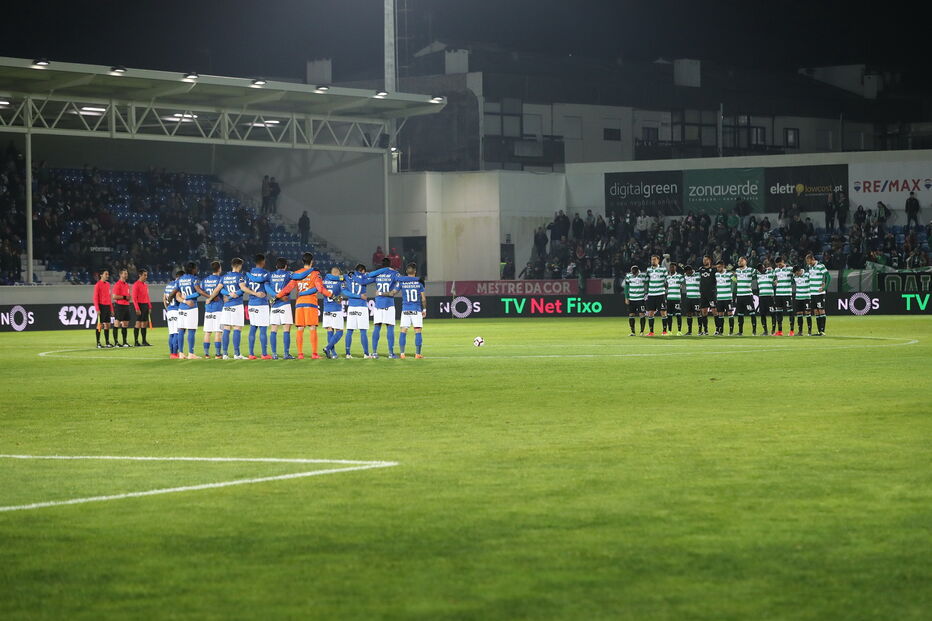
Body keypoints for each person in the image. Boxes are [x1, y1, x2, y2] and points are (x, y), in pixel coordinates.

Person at [276, 253, 332, 359]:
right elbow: (320, 288)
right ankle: (314, 354)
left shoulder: (297, 273)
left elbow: (288, 288)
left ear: (303, 261)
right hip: (310, 303)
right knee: (312, 328)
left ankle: (300, 354)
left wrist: (278, 295)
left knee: (300, 329)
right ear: (312, 261)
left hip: (299, 304)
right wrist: (330, 294)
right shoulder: (315, 273)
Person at [341, 263, 391, 358]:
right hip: (361, 306)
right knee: (363, 331)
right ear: (363, 271)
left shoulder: (347, 276)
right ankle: (366, 354)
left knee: (350, 331)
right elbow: (375, 276)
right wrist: (386, 268)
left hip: (351, 306)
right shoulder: (364, 277)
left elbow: (342, 287)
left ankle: (348, 354)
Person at [213, 257, 255, 359]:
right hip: (236, 305)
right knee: (237, 328)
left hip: (226, 306)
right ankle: (236, 354)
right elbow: (243, 288)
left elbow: (219, 290)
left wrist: (228, 294)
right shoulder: (240, 276)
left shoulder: (224, 277)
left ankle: (225, 354)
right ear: (240, 266)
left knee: (226, 329)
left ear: (232, 265)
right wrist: (253, 293)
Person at [266, 257, 295, 360]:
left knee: (273, 329)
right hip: (284, 303)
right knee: (286, 329)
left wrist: (275, 295)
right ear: (286, 266)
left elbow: (266, 286)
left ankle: (274, 354)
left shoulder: (270, 275)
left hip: (274, 304)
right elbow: (295, 280)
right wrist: (281, 295)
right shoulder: (288, 274)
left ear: (276, 266)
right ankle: (286, 354)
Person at [371, 257, 400, 359]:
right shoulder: (395, 273)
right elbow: (397, 286)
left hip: (378, 304)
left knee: (377, 328)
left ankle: (374, 353)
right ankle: (391, 353)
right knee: (390, 328)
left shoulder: (377, 274)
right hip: (389, 304)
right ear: (390, 264)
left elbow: (367, 280)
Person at [396, 262, 426, 359]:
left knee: (403, 331)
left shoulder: (402, 282)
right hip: (416, 309)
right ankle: (417, 354)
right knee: (417, 331)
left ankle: (402, 354)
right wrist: (424, 309)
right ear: (415, 271)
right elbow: (423, 298)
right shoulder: (419, 282)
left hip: (405, 309)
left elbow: (394, 292)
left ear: (406, 271)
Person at [245, 254, 271, 360]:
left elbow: (245, 286)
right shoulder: (266, 273)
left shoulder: (249, 273)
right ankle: (264, 354)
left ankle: (251, 354)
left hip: (251, 303)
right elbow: (264, 283)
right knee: (263, 329)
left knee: (253, 328)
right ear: (262, 261)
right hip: (261, 303)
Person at [175, 262, 203, 359]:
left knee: (181, 330)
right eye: (196, 268)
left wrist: (184, 300)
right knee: (191, 330)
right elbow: (198, 293)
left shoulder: (180, 279)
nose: (197, 269)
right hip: (191, 308)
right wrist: (188, 298)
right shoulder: (195, 279)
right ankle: (191, 353)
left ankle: (181, 353)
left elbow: (177, 294)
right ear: (193, 269)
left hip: (181, 307)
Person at [200, 261, 224, 358]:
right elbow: (222, 291)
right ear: (219, 269)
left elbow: (200, 290)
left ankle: (206, 354)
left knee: (208, 332)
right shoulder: (220, 279)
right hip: (218, 308)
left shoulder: (205, 280)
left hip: (208, 308)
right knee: (218, 332)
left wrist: (208, 297)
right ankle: (218, 354)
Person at [321, 267, 345, 359]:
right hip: (336, 309)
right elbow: (343, 292)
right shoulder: (339, 281)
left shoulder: (324, 281)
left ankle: (333, 353)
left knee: (329, 330)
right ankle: (328, 348)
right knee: (340, 332)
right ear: (337, 273)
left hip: (326, 309)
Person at [806, 253, 830, 336]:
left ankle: (822, 331)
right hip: (812, 293)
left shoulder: (820, 266)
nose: (808, 263)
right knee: (816, 311)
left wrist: (825, 287)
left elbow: (828, 276)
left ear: (812, 259)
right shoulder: (810, 267)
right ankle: (819, 331)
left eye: (809, 261)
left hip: (819, 293)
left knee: (821, 310)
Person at [163, 269, 184, 359]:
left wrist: (167, 308)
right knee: (176, 333)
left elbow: (164, 298)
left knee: (171, 333)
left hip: (169, 311)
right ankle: (175, 353)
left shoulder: (168, 285)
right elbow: (178, 298)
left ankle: (172, 353)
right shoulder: (178, 285)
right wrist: (185, 301)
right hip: (176, 310)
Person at [733, 257, 757, 336]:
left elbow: (758, 273)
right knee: (740, 314)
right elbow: (735, 279)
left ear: (745, 262)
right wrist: (735, 280)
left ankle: (754, 331)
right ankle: (740, 332)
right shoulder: (737, 271)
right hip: (739, 296)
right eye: (739, 261)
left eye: (741, 261)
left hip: (748, 295)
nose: (739, 262)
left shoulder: (750, 270)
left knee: (752, 313)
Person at [644, 255, 666, 336]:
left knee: (663, 312)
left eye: (654, 259)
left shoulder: (663, 269)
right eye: (652, 259)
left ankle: (664, 331)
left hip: (660, 294)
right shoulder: (648, 269)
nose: (653, 261)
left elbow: (666, 279)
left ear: (658, 260)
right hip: (651, 294)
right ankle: (651, 332)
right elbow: (646, 280)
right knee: (650, 313)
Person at [622, 265, 647, 336]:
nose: (633, 274)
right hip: (632, 299)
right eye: (632, 272)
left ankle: (642, 332)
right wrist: (626, 297)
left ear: (637, 271)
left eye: (635, 273)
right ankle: (633, 332)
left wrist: (646, 293)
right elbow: (626, 287)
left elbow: (648, 283)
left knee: (641, 314)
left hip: (640, 298)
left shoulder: (643, 276)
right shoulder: (628, 276)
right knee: (631, 314)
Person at [772, 257, 794, 335]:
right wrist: (775, 281)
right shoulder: (776, 270)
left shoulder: (790, 269)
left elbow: (796, 275)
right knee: (779, 312)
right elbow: (775, 279)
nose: (779, 266)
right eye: (778, 265)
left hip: (787, 294)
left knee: (790, 312)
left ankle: (792, 331)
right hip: (778, 294)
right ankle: (780, 331)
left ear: (783, 262)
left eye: (780, 264)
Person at [111, 268, 132, 347]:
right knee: (117, 323)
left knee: (125, 324)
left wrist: (129, 298)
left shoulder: (126, 285)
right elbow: (114, 296)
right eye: (125, 273)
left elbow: (127, 296)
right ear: (120, 274)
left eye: (127, 273)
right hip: (119, 306)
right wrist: (124, 297)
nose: (126, 275)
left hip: (126, 305)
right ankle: (116, 342)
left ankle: (124, 342)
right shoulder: (117, 284)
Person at [93, 269, 114, 349]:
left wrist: (111, 309)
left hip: (107, 306)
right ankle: (98, 343)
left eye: (108, 274)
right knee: (99, 325)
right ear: (101, 275)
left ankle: (107, 342)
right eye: (106, 274)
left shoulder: (108, 284)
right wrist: (97, 309)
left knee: (107, 325)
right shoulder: (98, 285)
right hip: (101, 306)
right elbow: (95, 298)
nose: (107, 276)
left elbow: (109, 298)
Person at [131, 269, 152, 346]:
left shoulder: (145, 285)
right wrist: (137, 308)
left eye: (146, 275)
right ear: (140, 275)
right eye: (144, 275)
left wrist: (149, 306)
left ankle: (144, 341)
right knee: (138, 323)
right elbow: (134, 298)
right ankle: (136, 341)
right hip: (139, 305)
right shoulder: (136, 284)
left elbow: (147, 296)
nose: (146, 277)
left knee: (144, 323)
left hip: (145, 305)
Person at [755, 261, 775, 336]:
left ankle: (773, 330)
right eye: (759, 269)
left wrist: (771, 269)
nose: (761, 269)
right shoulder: (758, 275)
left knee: (772, 313)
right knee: (762, 314)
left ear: (764, 267)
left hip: (770, 296)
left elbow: (775, 274)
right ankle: (765, 331)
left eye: (761, 268)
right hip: (762, 297)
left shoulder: (770, 273)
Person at [713, 260, 733, 336]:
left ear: (723, 266)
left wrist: (734, 275)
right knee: (720, 314)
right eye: (717, 267)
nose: (718, 268)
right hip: (719, 298)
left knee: (730, 313)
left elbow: (736, 280)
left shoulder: (729, 274)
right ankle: (721, 331)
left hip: (728, 298)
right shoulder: (716, 274)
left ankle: (731, 331)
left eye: (719, 267)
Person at [664, 262, 685, 335]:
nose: (671, 268)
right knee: (669, 315)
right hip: (669, 298)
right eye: (671, 267)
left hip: (677, 298)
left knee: (678, 315)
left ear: (675, 268)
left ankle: (679, 331)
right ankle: (669, 331)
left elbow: (684, 281)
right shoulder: (667, 277)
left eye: (673, 267)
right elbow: (666, 285)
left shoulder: (679, 276)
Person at [698, 255, 716, 336]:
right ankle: (705, 330)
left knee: (714, 311)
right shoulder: (700, 269)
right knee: (704, 312)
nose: (704, 261)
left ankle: (718, 329)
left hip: (711, 293)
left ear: (709, 260)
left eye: (706, 260)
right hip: (703, 293)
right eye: (703, 260)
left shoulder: (714, 270)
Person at [792, 265, 812, 336]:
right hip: (798, 298)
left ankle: (809, 332)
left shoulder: (807, 275)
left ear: (800, 271)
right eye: (795, 274)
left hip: (807, 297)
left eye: (797, 273)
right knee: (799, 314)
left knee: (807, 314)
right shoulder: (794, 276)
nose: (796, 275)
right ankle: (800, 332)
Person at [683, 265, 701, 336]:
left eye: (687, 271)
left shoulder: (698, 275)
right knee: (688, 314)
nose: (686, 273)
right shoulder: (685, 276)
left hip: (696, 298)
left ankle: (700, 331)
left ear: (691, 270)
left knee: (698, 313)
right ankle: (689, 331)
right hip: (688, 298)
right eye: (685, 272)